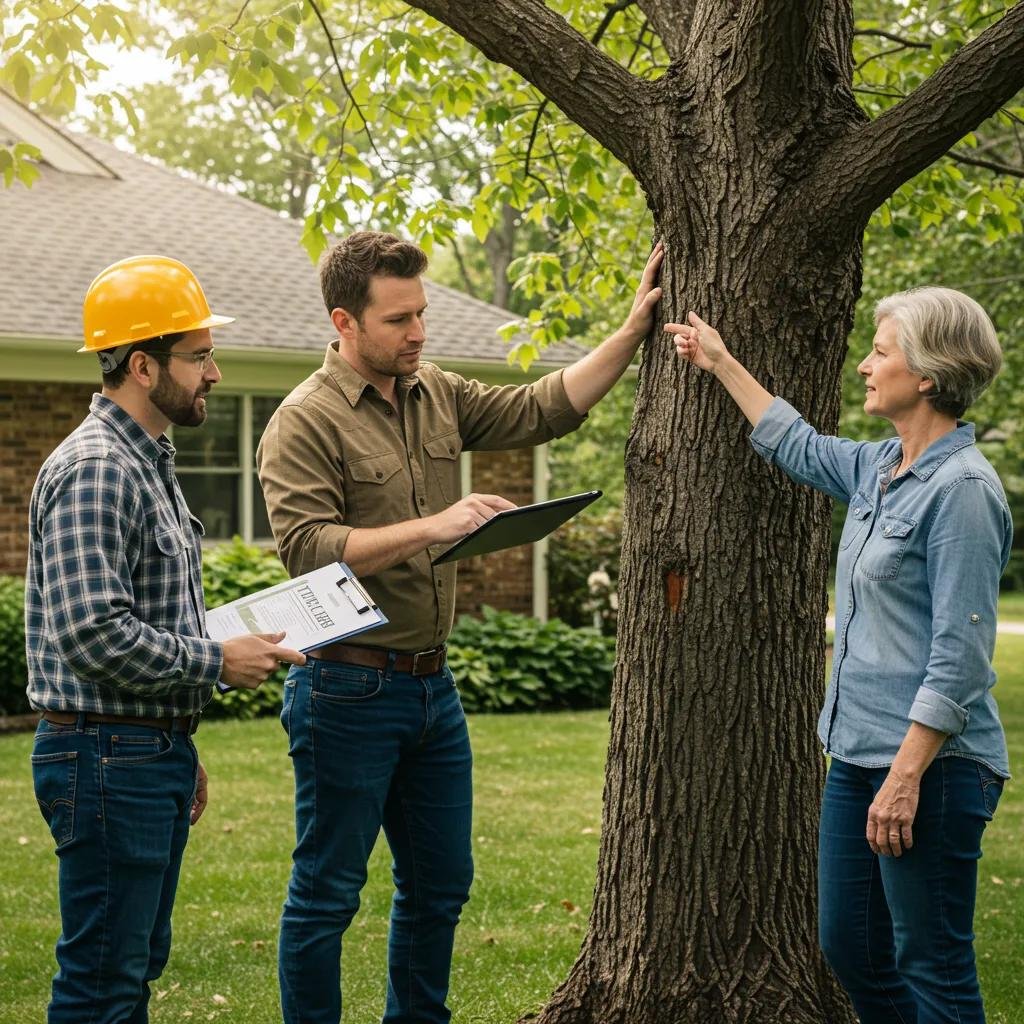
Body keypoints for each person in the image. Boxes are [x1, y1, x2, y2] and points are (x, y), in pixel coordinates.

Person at [256, 230, 663, 1023]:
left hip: (430, 690)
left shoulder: (435, 391)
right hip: (345, 687)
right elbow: (308, 551)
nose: (417, 333)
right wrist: (434, 527)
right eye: (397, 319)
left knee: (441, 884)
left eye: (421, 313)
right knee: (329, 892)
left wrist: (631, 332)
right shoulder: (304, 421)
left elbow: (542, 409)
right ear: (344, 321)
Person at [668, 287, 1010, 1024]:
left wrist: (906, 777)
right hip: (857, 758)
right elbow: (797, 442)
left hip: (934, 770)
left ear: (926, 373)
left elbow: (961, 659)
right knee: (848, 947)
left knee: (933, 964)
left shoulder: (963, 492)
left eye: (880, 351)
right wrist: (721, 362)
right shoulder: (880, 469)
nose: (864, 364)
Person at [26, 255, 305, 1024]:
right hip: (107, 757)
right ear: (143, 365)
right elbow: (92, 634)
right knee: (102, 982)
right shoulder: (97, 468)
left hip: (139, 750)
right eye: (200, 355)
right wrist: (216, 661)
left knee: (130, 966)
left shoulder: (146, 461)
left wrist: (178, 742)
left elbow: (141, 621)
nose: (214, 372)